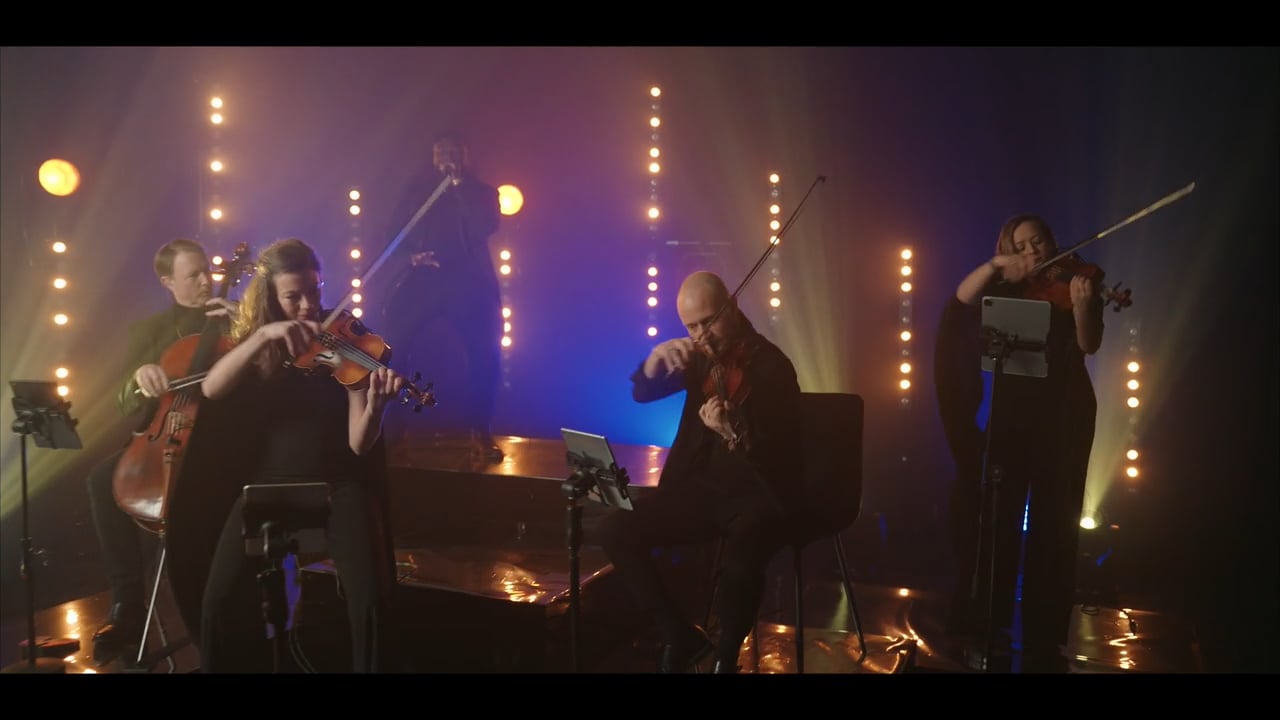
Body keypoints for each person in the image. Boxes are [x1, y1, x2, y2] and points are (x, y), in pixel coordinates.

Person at [197, 237, 404, 673]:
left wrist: (376, 407)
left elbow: (358, 443)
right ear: (271, 296)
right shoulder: (260, 341)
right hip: (269, 483)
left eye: (314, 290)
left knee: (369, 599)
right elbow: (211, 388)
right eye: (294, 296)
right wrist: (263, 335)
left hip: (338, 484)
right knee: (217, 600)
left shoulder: (346, 338)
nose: (309, 305)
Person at [596, 271, 804, 673]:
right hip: (702, 493)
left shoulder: (773, 366)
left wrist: (733, 431)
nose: (701, 335)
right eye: (691, 327)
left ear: (733, 306)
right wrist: (654, 361)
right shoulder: (698, 358)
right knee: (614, 528)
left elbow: (780, 456)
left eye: (709, 322)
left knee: (740, 563)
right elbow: (642, 393)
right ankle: (678, 634)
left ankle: (725, 657)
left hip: (757, 495)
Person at [937, 214, 1104, 673]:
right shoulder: (1004, 286)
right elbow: (959, 302)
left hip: (1065, 414)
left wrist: (1084, 306)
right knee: (998, 518)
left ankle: (1044, 638)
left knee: (1056, 524)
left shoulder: (1077, 280)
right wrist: (996, 265)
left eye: (1039, 241)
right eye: (1021, 244)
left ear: (1052, 241)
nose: (1033, 251)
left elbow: (1089, 344)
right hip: (1013, 415)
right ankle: (988, 627)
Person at [86, 238, 236, 665]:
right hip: (166, 434)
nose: (206, 281)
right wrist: (139, 378)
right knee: (101, 479)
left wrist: (243, 323)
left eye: (207, 271)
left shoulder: (233, 317)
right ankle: (126, 603)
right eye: (193, 275)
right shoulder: (148, 332)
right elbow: (123, 402)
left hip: (221, 439)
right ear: (167, 282)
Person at [377, 130, 503, 464]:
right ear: (433, 157)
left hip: (468, 282)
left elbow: (484, 226)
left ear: (465, 155)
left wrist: (458, 186)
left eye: (453, 151)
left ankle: (480, 430)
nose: (446, 157)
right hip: (422, 281)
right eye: (440, 152)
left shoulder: (482, 193)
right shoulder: (418, 193)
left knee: (484, 354)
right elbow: (393, 235)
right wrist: (410, 258)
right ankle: (394, 432)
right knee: (393, 350)